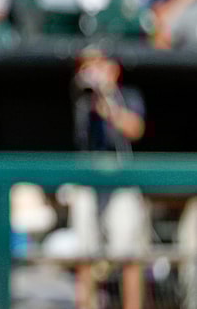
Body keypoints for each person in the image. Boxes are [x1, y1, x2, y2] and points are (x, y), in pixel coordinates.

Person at [66, 47, 149, 309]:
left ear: (114, 68)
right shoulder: (82, 100)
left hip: (120, 176)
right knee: (86, 255)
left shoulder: (128, 95)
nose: (92, 72)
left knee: (129, 255)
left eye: (98, 65)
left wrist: (108, 99)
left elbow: (135, 129)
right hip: (88, 177)